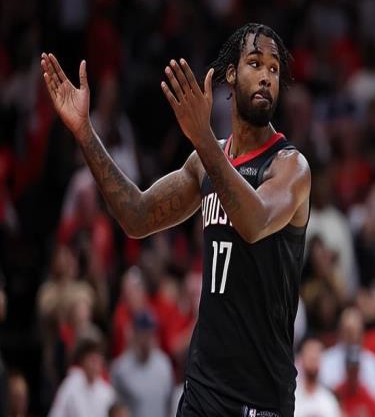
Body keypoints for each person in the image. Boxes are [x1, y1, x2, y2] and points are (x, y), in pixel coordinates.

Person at [41, 22, 311, 417]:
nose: (267, 76)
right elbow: (136, 216)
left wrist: (203, 138)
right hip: (203, 388)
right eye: (255, 63)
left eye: (274, 68)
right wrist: (84, 133)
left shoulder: (290, 166)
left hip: (261, 394)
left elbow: (254, 223)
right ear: (231, 75)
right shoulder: (205, 163)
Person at [111, 311, 174, 417]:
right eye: (143, 333)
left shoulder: (164, 365)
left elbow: (169, 405)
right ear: (134, 334)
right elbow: (115, 410)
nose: (147, 339)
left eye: (150, 333)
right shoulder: (120, 369)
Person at [48, 335, 115, 417]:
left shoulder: (106, 391)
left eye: (99, 360)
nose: (95, 366)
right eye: (92, 360)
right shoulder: (70, 385)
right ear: (83, 361)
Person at [294, 337, 341, 417]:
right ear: (301, 358)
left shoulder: (328, 399)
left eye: (316, 356)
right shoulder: (292, 396)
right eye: (310, 355)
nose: (313, 359)